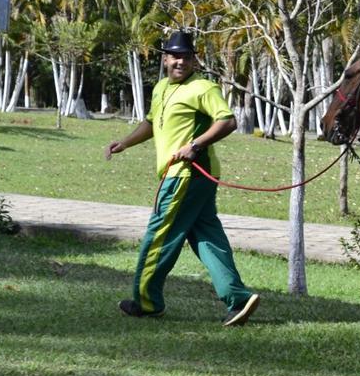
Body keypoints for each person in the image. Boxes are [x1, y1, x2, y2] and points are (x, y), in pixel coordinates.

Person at [105, 30, 260, 326]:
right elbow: (152, 122)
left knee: (159, 236)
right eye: (175, 56)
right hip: (191, 178)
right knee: (206, 237)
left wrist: (196, 145)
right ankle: (238, 298)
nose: (180, 62)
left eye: (186, 57)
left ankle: (146, 302)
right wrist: (125, 143)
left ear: (193, 60)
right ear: (165, 59)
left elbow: (227, 121)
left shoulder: (203, 88)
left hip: (186, 175)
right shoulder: (162, 87)